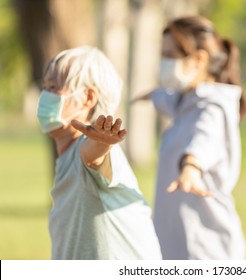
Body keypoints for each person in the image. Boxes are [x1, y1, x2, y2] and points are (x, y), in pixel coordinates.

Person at [136, 16, 246, 259]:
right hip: (176, 245)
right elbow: (167, 100)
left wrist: (191, 167)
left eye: (170, 56)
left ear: (198, 59)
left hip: (204, 249)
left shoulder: (212, 109)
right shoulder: (185, 101)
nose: (163, 62)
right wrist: (150, 96)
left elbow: (203, 140)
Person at [36, 46, 162, 260]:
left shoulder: (89, 145)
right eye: (45, 87)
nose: (44, 95)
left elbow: (94, 157)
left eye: (54, 87)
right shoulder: (66, 156)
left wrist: (103, 145)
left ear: (88, 97)